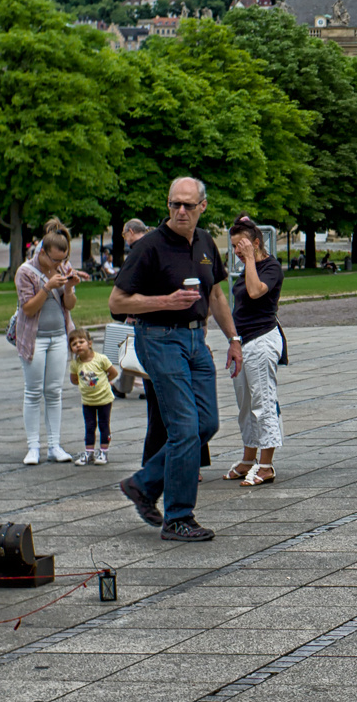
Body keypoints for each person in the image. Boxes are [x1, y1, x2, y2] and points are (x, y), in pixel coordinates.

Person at [110, 176, 243, 542]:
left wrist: (233, 338)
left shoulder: (204, 242)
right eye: (174, 204)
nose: (180, 211)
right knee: (184, 427)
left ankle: (142, 484)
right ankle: (178, 517)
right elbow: (117, 303)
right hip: (159, 338)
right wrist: (163, 302)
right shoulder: (149, 247)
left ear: (203, 206)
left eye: (187, 204)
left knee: (206, 425)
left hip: (195, 339)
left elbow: (215, 295)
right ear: (167, 205)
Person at [14, 218, 83, 466]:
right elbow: (29, 310)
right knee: (33, 392)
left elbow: (70, 306)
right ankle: (34, 447)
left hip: (58, 337)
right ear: (42, 252)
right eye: (55, 260)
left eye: (63, 260)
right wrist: (47, 287)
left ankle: (54, 445)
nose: (60, 264)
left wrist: (69, 288)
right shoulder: (25, 272)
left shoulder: (63, 269)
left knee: (54, 392)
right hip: (34, 339)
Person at [223, 215, 284, 487]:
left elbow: (255, 291)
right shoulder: (245, 267)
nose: (235, 251)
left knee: (263, 402)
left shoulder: (270, 267)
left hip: (262, 340)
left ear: (255, 243)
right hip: (243, 342)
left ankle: (267, 464)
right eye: (234, 246)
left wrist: (249, 259)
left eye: (240, 245)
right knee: (245, 406)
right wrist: (233, 341)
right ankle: (249, 458)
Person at [68, 327, 117, 465]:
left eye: (81, 342)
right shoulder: (75, 364)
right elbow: (74, 379)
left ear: (89, 343)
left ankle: (103, 452)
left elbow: (113, 373)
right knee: (89, 426)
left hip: (104, 399)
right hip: (88, 401)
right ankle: (89, 453)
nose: (78, 345)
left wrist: (104, 382)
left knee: (103, 425)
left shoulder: (101, 359)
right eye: (74, 344)